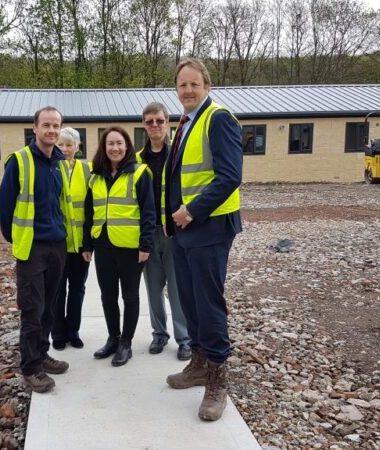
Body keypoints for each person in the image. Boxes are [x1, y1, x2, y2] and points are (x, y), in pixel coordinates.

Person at [163, 58, 243, 421]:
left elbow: (229, 176)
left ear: (207, 86)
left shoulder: (218, 118)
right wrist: (171, 220)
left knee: (208, 304)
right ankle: (198, 363)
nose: (188, 90)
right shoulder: (186, 121)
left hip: (208, 228)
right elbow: (177, 176)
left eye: (194, 84)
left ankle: (217, 380)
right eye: (182, 85)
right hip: (184, 229)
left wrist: (191, 211)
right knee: (190, 301)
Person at [0, 106, 76, 394]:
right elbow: (4, 207)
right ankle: (30, 368)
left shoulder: (59, 162)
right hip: (32, 249)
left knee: (49, 307)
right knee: (32, 308)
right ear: (35, 127)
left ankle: (42, 354)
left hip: (57, 246)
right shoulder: (20, 161)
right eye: (47, 125)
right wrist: (16, 240)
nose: (52, 131)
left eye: (56, 126)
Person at [82, 126, 155, 367]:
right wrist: (87, 244)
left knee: (130, 296)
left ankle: (126, 343)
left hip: (130, 247)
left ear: (127, 147)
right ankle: (113, 338)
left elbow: (148, 213)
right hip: (103, 245)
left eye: (119, 143)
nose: (115, 148)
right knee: (107, 296)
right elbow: (89, 213)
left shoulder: (140, 173)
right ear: (104, 148)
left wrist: (146, 245)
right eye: (110, 144)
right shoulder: (95, 176)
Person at [136, 102, 192, 361]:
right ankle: (159, 334)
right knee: (153, 288)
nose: (155, 126)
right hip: (148, 234)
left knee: (178, 288)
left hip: (173, 233)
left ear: (167, 122)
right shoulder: (137, 160)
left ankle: (184, 339)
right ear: (144, 126)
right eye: (149, 122)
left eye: (159, 120)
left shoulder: (178, 155)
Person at [51, 127, 92, 350]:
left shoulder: (88, 170)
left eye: (69, 145)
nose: (65, 149)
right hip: (58, 243)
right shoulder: (50, 168)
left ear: (77, 147)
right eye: (61, 145)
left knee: (77, 289)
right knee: (58, 290)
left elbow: (91, 208)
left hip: (80, 245)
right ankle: (57, 333)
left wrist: (89, 243)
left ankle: (73, 331)